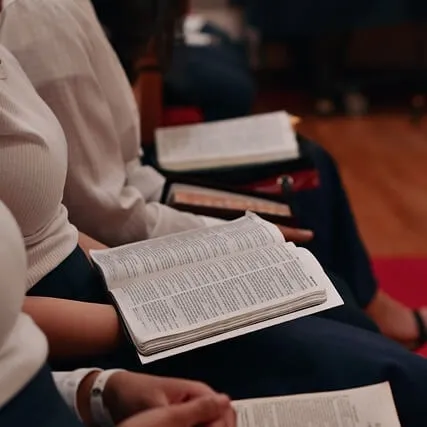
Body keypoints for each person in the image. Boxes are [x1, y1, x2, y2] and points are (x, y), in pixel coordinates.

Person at [3, 30, 427, 427]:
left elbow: (61, 222)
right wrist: (152, 313)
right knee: (392, 378)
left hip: (95, 281)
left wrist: (208, 251)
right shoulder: (37, 24)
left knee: (316, 281)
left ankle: (378, 315)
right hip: (78, 319)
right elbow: (109, 210)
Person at [0, 199, 235, 427]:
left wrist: (101, 391)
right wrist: (141, 321)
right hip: (79, 324)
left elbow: (55, 228)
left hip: (67, 368)